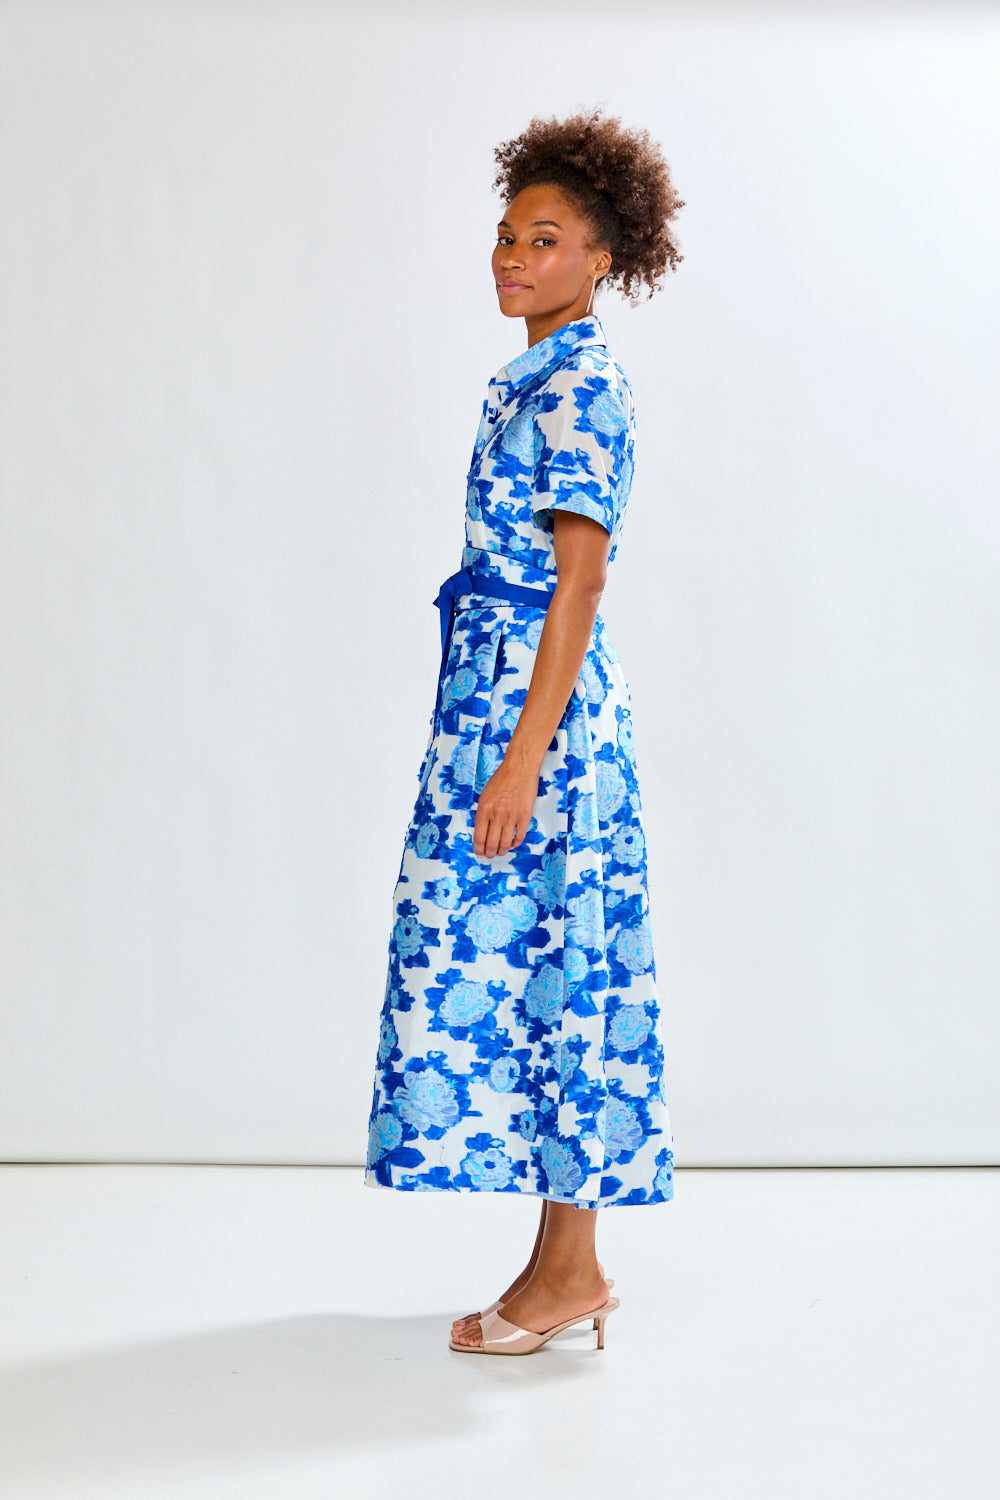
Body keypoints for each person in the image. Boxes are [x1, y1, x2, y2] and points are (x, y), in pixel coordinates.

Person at [364, 107, 684, 1356]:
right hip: (497, 695)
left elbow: (580, 583)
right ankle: (566, 1268)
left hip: (535, 718)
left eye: (544, 240)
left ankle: (571, 1272)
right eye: (506, 235)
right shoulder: (538, 378)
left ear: (601, 257)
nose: (512, 257)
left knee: (565, 968)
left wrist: (516, 760)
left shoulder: (581, 386)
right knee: (541, 972)